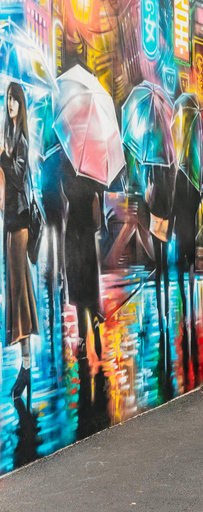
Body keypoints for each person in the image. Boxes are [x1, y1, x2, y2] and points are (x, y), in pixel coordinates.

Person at [1, 82, 39, 464]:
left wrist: (2, 154)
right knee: (16, 296)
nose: (11, 104)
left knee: (20, 296)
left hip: (19, 227)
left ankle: (25, 368)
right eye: (7, 99)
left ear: (21, 104)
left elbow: (16, 175)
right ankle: (24, 366)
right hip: (9, 224)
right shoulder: (9, 136)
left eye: (15, 99)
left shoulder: (21, 140)